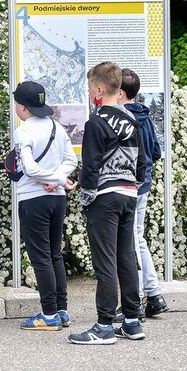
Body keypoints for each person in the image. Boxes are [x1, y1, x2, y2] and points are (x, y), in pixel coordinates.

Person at [68, 62, 146, 345]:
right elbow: (141, 163)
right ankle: (132, 321)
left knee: (105, 262)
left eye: (90, 88)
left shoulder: (96, 122)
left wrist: (86, 197)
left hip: (105, 197)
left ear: (100, 89)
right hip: (128, 195)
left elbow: (90, 167)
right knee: (126, 258)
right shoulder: (132, 122)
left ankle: (103, 326)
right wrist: (133, 186)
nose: (90, 93)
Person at [11, 81, 78, 331]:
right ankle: (61, 310)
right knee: (54, 254)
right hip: (57, 198)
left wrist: (54, 179)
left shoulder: (24, 131)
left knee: (40, 257)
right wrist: (57, 179)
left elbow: (29, 169)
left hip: (32, 198)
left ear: (22, 106)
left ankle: (48, 314)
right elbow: (70, 160)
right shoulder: (56, 126)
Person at [118, 68, 169, 319]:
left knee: (130, 242)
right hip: (144, 184)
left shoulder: (124, 118)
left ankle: (135, 297)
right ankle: (154, 294)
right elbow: (157, 152)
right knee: (138, 239)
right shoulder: (145, 117)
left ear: (120, 93)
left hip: (130, 184)